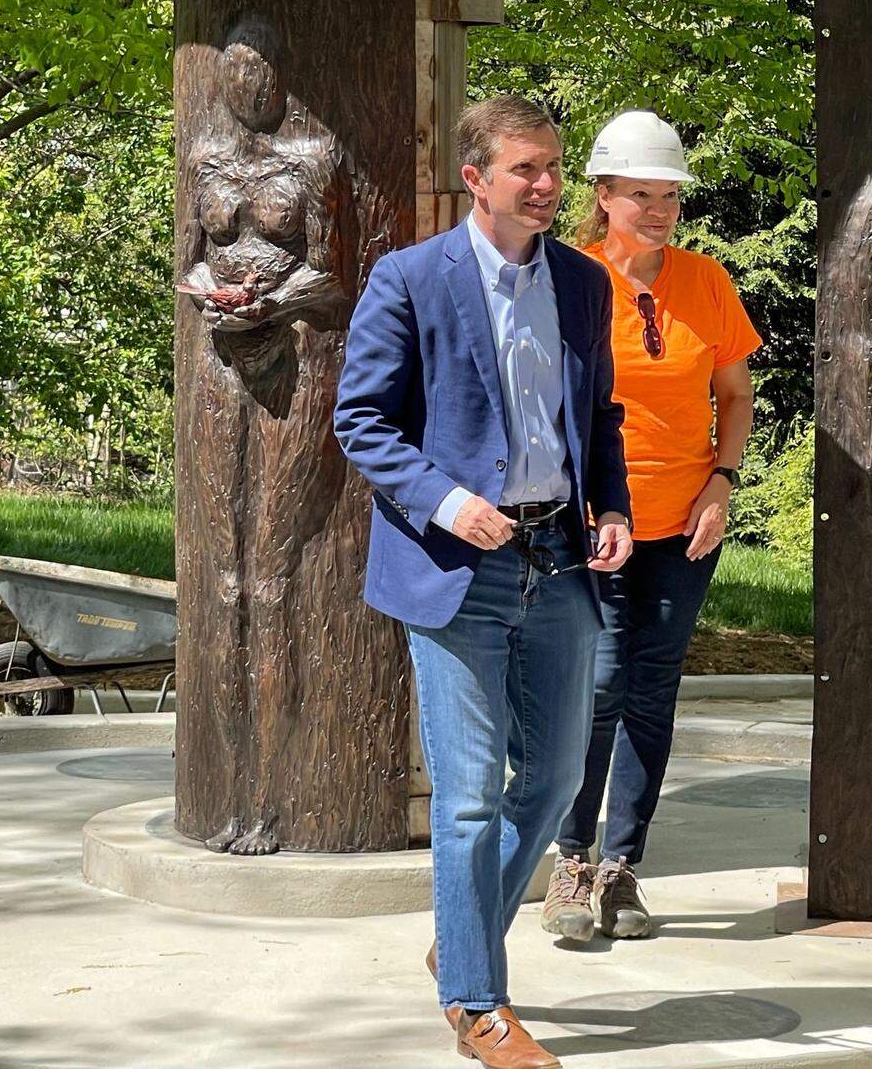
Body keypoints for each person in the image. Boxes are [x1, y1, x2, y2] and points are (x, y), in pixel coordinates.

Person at [335, 95, 632, 1068]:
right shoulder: (411, 279)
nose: (547, 187)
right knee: (467, 797)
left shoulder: (584, 286)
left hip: (559, 558)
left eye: (554, 168)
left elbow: (598, 416)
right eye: (526, 170)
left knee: (548, 780)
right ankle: (477, 1005)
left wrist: (614, 506)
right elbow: (362, 420)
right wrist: (445, 498)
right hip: (458, 565)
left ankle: (458, 937)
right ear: (476, 179)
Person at [540, 110, 760, 944]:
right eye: (642, 194)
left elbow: (735, 395)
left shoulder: (707, 281)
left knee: (652, 692)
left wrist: (722, 483)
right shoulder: (569, 276)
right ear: (602, 195)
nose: (660, 208)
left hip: (685, 525)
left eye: (670, 194)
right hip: (596, 523)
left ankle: (623, 870)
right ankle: (571, 858)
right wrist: (586, 502)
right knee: (597, 686)